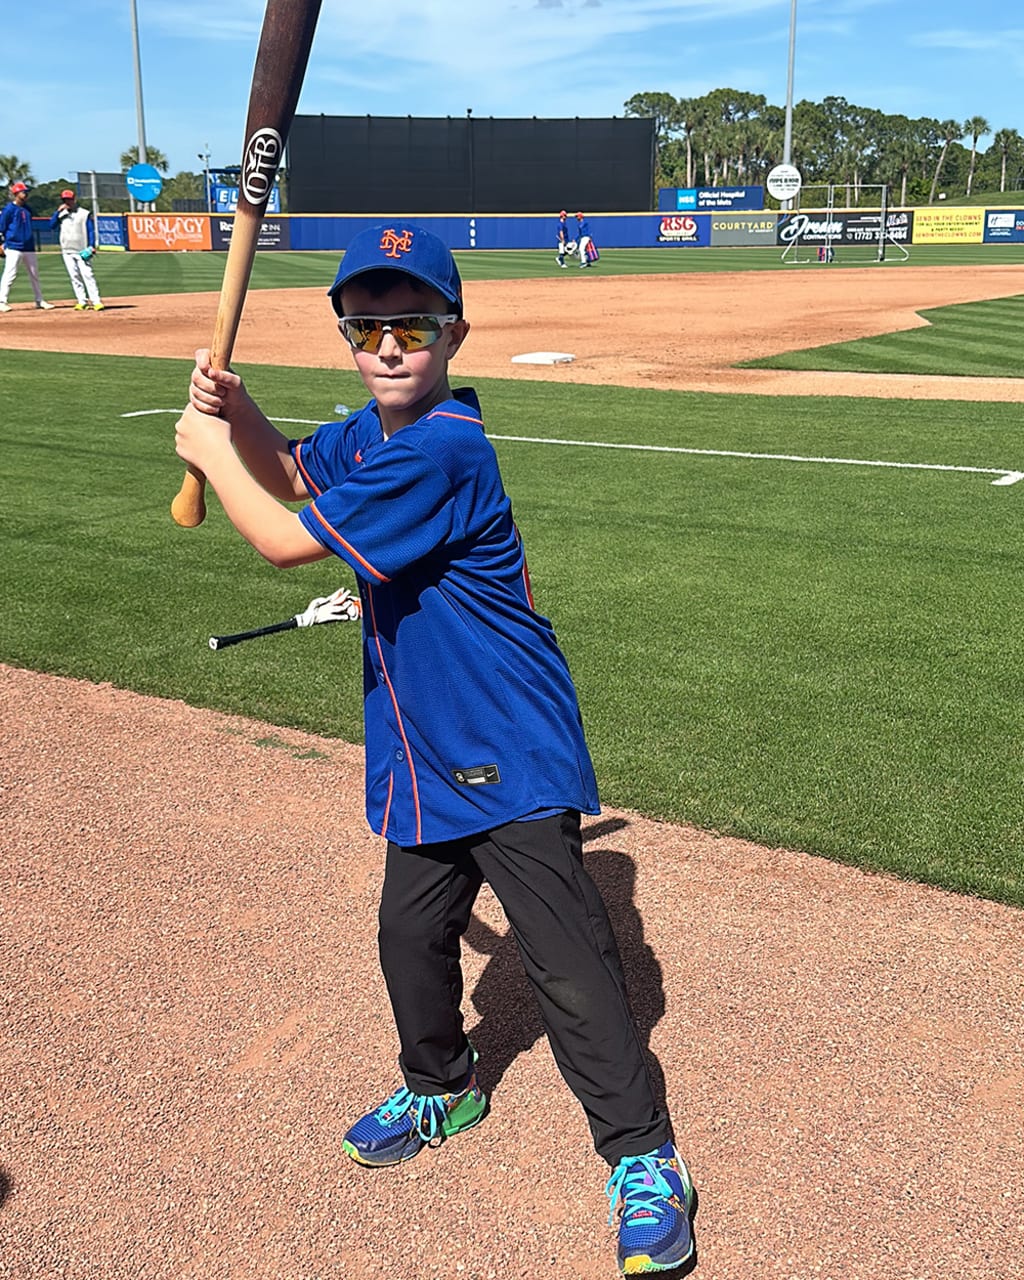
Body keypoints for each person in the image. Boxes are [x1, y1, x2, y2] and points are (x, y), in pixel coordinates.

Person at [174, 223, 696, 1277]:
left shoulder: (445, 444)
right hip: (427, 743)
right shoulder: (371, 433)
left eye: (410, 322)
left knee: (569, 965)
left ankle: (645, 1157)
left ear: (453, 331)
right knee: (409, 938)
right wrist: (234, 416)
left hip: (502, 738)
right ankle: (443, 1082)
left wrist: (200, 456)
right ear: (349, 338)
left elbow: (280, 535)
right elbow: (288, 474)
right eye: (365, 325)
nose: (388, 342)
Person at [0, 182, 55, 312]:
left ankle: (39, 300)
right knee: (10, 273)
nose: (26, 194)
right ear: (16, 194)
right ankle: (2, 300)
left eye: (26, 192)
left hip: (29, 246)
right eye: (23, 192)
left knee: (34, 274)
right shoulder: (9, 209)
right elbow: (1, 227)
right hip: (13, 245)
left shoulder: (27, 209)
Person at [49, 188, 104, 311]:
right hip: (67, 249)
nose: (67, 202)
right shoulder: (61, 214)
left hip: (82, 249)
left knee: (88, 275)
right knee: (74, 276)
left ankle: (96, 301)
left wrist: (91, 246)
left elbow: (90, 230)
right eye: (65, 200)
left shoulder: (84, 213)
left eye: (69, 199)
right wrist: (56, 213)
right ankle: (81, 301)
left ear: (74, 199)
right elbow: (51, 225)